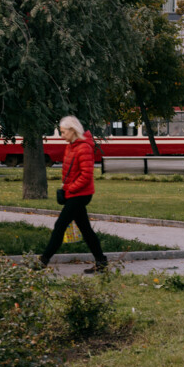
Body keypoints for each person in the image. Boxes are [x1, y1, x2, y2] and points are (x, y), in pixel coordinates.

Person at [38, 116, 108, 273]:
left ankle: (42, 261)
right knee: (85, 229)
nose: (62, 136)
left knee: (60, 225)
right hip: (74, 193)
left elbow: (86, 175)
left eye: (63, 132)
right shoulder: (71, 146)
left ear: (72, 130)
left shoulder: (84, 148)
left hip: (80, 194)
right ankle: (101, 262)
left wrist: (70, 189)